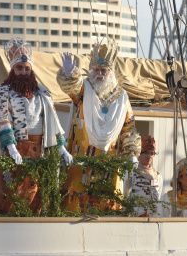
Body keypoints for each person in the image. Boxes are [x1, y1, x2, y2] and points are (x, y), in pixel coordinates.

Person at [0, 37, 73, 214]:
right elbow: (1, 118)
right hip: (9, 150)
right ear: (13, 70)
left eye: (27, 69)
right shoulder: (2, 91)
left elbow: (53, 123)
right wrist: (11, 147)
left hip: (38, 152)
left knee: (34, 196)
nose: (23, 72)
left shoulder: (43, 93)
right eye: (19, 68)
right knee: (4, 192)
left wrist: (62, 148)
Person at [57, 38, 141, 214]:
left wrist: (132, 153)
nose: (100, 74)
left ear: (111, 72)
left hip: (109, 161)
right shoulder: (84, 91)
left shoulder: (122, 97)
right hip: (80, 159)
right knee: (76, 202)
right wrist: (70, 73)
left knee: (107, 204)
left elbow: (129, 127)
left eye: (104, 70)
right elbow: (73, 88)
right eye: (96, 70)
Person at [129, 136, 162, 217]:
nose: (149, 156)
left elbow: (159, 196)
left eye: (152, 153)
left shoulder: (158, 175)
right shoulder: (132, 173)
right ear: (139, 154)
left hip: (153, 219)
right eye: (146, 153)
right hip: (135, 218)